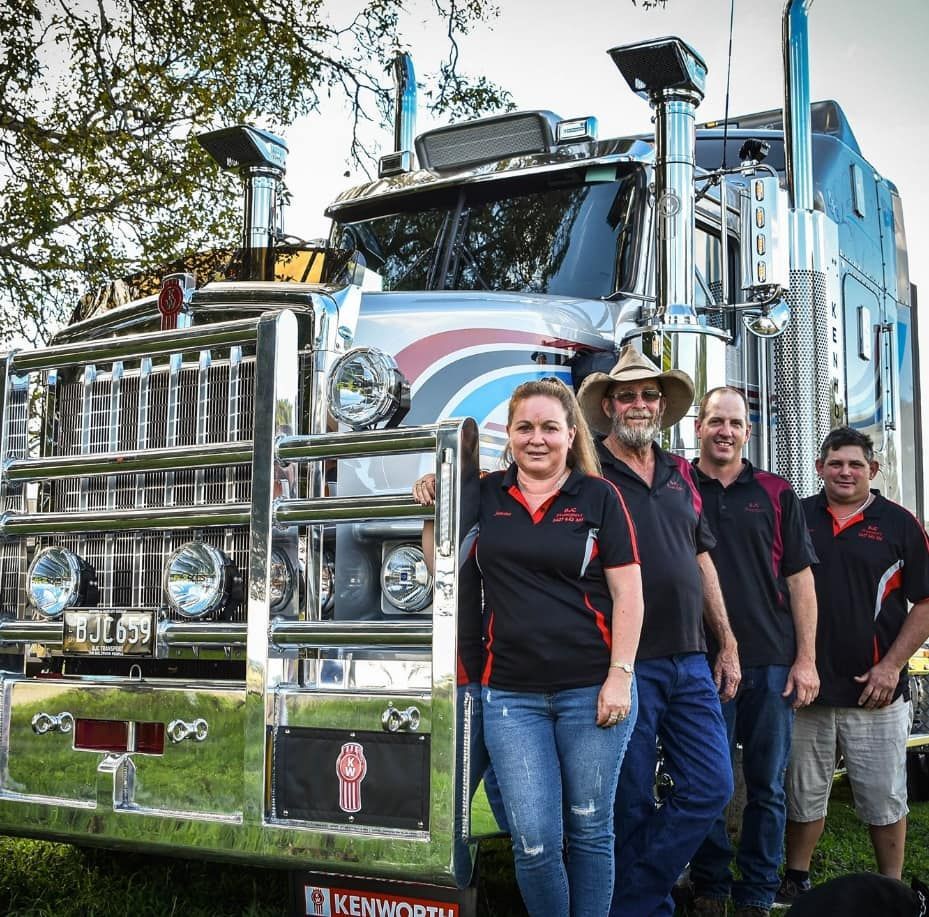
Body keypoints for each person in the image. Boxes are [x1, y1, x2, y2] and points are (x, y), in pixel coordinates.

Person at [413, 377, 645, 917]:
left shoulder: (597, 496)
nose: (536, 439)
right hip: (510, 697)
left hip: (590, 691)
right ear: (509, 435)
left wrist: (621, 676)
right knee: (535, 840)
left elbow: (628, 591)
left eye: (548, 428)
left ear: (570, 435)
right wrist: (436, 501)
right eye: (524, 428)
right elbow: (441, 568)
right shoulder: (488, 493)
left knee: (589, 829)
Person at [576, 344, 740, 917]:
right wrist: (441, 483)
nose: (640, 403)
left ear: (662, 406)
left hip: (691, 658)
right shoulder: (588, 466)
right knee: (630, 797)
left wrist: (728, 641)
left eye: (649, 395)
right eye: (628, 395)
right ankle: (646, 907)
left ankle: (627, 901)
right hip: (624, 660)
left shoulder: (679, 473)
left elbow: (701, 558)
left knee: (711, 786)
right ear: (610, 405)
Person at [778, 426, 929, 905]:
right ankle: (796, 877)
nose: (845, 472)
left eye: (855, 464)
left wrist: (891, 667)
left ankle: (892, 886)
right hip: (807, 690)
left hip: (875, 691)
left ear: (873, 470)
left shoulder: (900, 524)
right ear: (819, 467)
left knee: (883, 798)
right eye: (836, 463)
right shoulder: (796, 516)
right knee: (803, 794)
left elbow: (925, 603)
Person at [685, 386, 819, 917]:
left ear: (747, 431)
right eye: (716, 420)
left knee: (767, 784)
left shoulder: (775, 492)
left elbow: (801, 577)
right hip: (696, 659)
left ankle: (758, 891)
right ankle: (711, 886)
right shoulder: (675, 484)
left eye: (735, 423)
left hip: (769, 660)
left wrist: (805, 658)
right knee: (705, 782)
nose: (725, 431)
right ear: (699, 426)